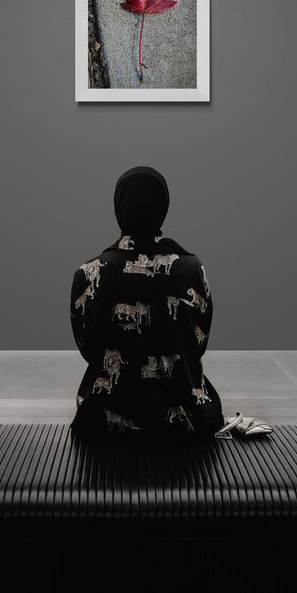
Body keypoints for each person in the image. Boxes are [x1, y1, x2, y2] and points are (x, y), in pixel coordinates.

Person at [69, 165, 227, 443]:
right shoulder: (192, 269)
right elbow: (197, 344)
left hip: (103, 419)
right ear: (163, 206)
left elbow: (88, 347)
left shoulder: (89, 272)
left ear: (119, 207)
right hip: (185, 416)